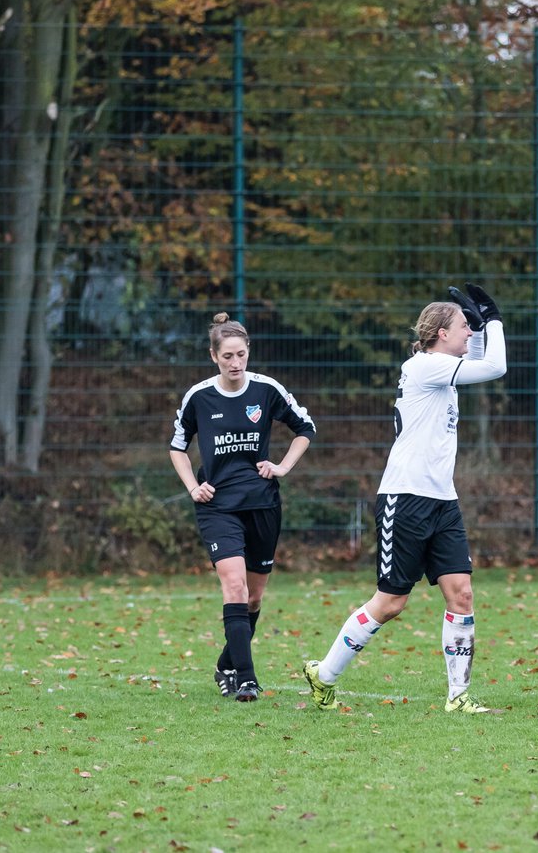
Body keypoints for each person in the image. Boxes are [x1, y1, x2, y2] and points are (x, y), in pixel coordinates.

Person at [303, 284, 506, 714]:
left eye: (473, 328)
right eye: (464, 328)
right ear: (439, 334)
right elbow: (495, 367)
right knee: (391, 602)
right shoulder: (425, 366)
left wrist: (483, 322)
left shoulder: (441, 364)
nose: (470, 334)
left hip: (441, 500)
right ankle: (324, 675)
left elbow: (482, 359)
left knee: (461, 593)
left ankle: (458, 697)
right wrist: (494, 319)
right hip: (405, 497)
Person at [169, 312, 316, 702]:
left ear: (248, 353)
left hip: (262, 504)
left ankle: (225, 664)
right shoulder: (199, 396)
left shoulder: (266, 390)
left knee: (252, 598)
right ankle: (246, 679)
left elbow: (305, 429)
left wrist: (282, 466)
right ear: (213, 356)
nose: (236, 364)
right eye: (228, 356)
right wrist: (193, 487)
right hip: (218, 506)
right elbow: (177, 447)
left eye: (241, 355)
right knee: (233, 585)